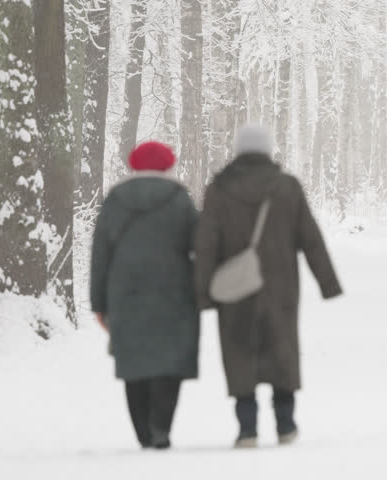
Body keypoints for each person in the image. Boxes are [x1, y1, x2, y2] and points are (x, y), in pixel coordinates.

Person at [194, 125, 343, 449]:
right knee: (282, 352)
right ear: (268, 150)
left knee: (239, 352)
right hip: (280, 287)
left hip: (234, 290)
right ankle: (286, 425)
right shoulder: (287, 187)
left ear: (238, 151)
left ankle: (247, 429)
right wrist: (327, 283)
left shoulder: (219, 189)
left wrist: (203, 293)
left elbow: (205, 244)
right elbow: (311, 238)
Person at [90, 141, 200, 450]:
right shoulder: (179, 199)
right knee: (170, 360)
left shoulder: (115, 200)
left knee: (133, 361)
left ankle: (143, 433)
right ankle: (161, 427)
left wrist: (99, 302)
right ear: (168, 165)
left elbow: (101, 254)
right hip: (174, 293)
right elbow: (199, 244)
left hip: (125, 294)